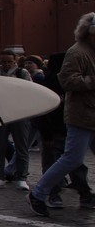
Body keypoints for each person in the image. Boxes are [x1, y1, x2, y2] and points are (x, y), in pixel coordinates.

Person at [27, 13, 95, 217]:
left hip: (91, 112)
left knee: (72, 158)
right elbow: (67, 81)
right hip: (82, 114)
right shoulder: (77, 52)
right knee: (72, 158)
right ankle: (38, 194)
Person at [32, 51, 92, 210]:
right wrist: (46, 133)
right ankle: (50, 193)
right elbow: (43, 112)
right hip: (56, 129)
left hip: (73, 125)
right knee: (60, 161)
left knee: (75, 162)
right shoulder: (50, 84)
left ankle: (84, 193)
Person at [0, 50, 33, 190]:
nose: (6, 64)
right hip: (1, 114)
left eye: (9, 61)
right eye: (4, 62)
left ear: (15, 61)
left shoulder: (22, 73)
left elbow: (30, 91)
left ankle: (22, 177)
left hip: (20, 114)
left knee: (22, 147)